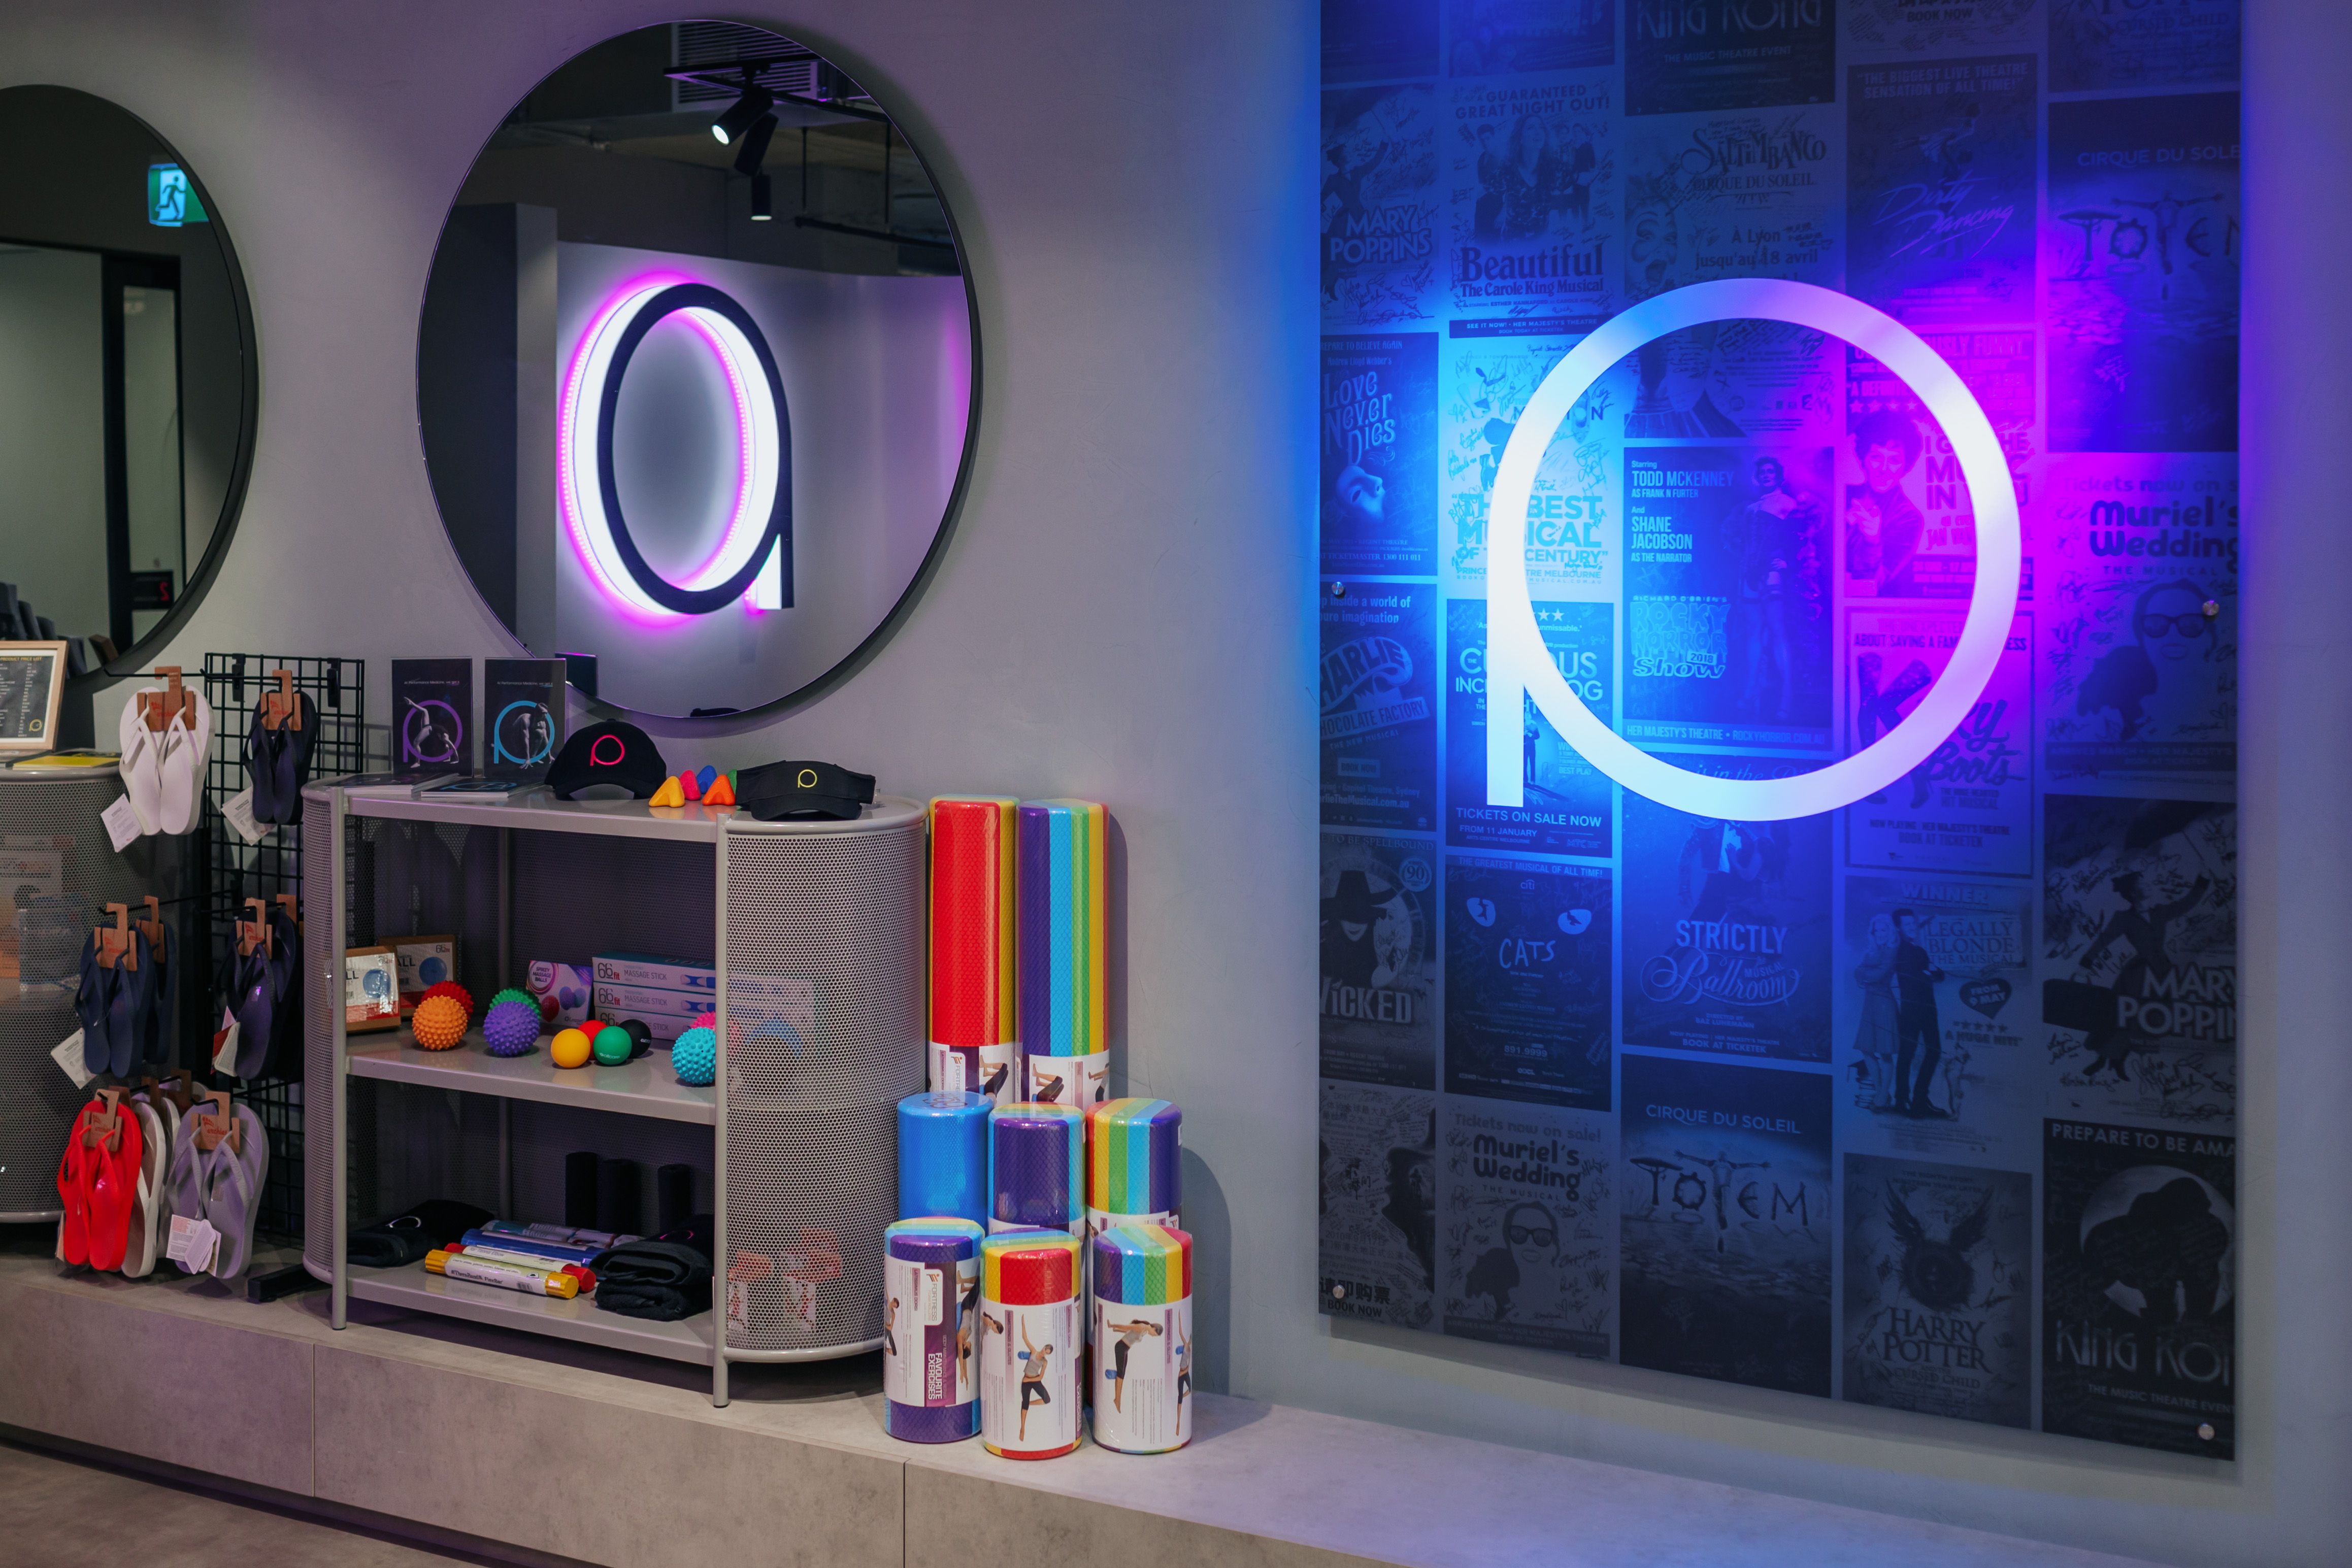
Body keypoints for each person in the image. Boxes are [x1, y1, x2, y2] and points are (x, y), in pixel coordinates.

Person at [2074, 866, 2211, 1081]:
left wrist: (2202, 880)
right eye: (2143, 884)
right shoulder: (2123, 918)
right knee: (2120, 1017)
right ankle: (2101, 1060)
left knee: (2147, 1021)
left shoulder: (2160, 913)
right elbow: (2103, 940)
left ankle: (2120, 1060)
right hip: (2137, 976)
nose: (2149, 886)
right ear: (2133, 893)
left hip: (2162, 974)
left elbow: (2186, 904)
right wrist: (2085, 966)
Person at [2076, 579, 2217, 743]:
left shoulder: (2224, 698)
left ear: (2209, 637)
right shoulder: (2115, 691)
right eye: (2156, 624)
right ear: (2141, 636)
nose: (2173, 633)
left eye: (2190, 624)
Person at [1849, 411, 1925, 595]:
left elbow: (1873, 585)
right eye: (1876, 457)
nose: (1884, 469)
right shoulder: (1843, 495)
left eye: (1894, 460)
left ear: (1906, 466)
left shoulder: (1909, 518)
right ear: (1863, 459)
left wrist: (1872, 540)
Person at [1891, 908, 1946, 1114]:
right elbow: (1916, 978)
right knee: (1908, 1053)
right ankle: (1903, 1100)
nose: (1912, 927)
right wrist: (1927, 974)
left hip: (1928, 1008)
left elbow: (1940, 975)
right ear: (1899, 928)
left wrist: (1927, 973)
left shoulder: (1920, 951)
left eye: (1913, 923)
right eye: (1907, 925)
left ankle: (1918, 1100)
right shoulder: (1900, 951)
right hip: (1912, 1009)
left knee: (1933, 1052)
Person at [1851, 912, 1901, 1110]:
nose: (1879, 933)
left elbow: (1879, 975)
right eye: (1876, 930)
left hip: (1884, 1004)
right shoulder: (1872, 951)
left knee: (1885, 1052)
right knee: (1867, 1048)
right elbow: (1857, 971)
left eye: (1883, 930)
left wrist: (1865, 974)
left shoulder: (1892, 950)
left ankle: (1881, 1095)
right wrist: (1865, 974)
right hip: (1870, 1003)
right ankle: (1882, 1092)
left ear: (1890, 931)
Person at [1101, 1317, 1164, 1413]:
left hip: (1126, 1349)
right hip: (1121, 1347)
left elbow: (1129, 1332)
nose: (1153, 1336)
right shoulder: (1142, 1327)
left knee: (1122, 1375)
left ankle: (1117, 1399)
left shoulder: (1145, 1331)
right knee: (1120, 1374)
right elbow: (1126, 1327)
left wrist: (1116, 1330)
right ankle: (1117, 1400)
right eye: (1155, 1335)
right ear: (1154, 1329)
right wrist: (1112, 1326)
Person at [1017, 1316, 1055, 1443]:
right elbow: (1025, 1338)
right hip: (1027, 1380)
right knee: (1024, 1403)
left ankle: (1030, 1404)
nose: (1045, 1353)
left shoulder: (1045, 1362)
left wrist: (1027, 1381)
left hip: (1034, 1380)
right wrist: (1023, 1322)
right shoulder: (1033, 1351)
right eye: (1045, 1350)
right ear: (1043, 1347)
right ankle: (1023, 1428)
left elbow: (1041, 1377)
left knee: (1047, 1399)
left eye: (1047, 1352)